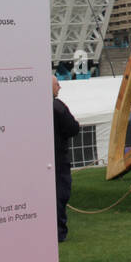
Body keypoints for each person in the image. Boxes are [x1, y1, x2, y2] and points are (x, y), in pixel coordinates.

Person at [52, 78, 79, 243]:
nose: (59, 87)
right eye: (56, 84)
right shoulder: (57, 107)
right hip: (58, 159)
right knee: (60, 194)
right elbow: (73, 128)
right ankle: (59, 232)